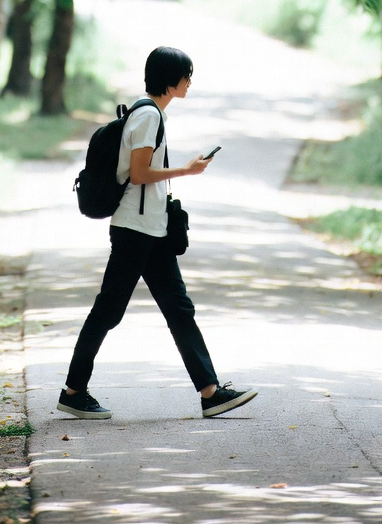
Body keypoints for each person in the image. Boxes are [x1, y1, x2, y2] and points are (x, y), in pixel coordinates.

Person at [57, 45, 258, 421]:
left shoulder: (149, 113)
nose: (189, 82)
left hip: (152, 230)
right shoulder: (148, 116)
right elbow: (139, 174)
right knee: (108, 311)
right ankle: (73, 391)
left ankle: (210, 392)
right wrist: (187, 170)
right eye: (186, 75)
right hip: (135, 231)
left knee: (179, 310)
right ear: (171, 79)